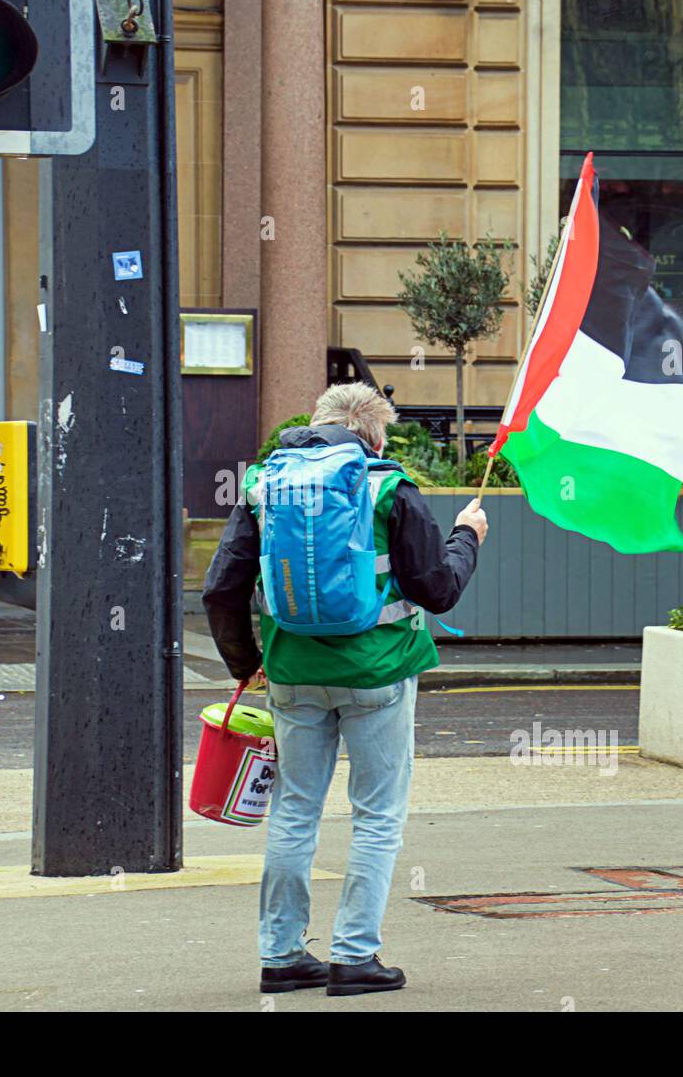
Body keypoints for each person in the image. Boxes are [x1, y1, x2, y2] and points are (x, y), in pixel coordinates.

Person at [203, 382, 488, 997]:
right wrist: (468, 535)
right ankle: (355, 957)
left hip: (292, 673)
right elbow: (437, 589)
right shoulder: (389, 486)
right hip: (377, 674)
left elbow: (221, 589)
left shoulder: (264, 486)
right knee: (376, 816)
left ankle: (280, 957)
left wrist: (245, 663)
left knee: (295, 809)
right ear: (375, 436)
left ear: (315, 425)